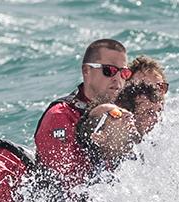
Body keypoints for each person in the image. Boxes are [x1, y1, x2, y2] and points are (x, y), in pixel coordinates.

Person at [33, 38, 133, 190]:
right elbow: (66, 185)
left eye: (124, 73)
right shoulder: (60, 116)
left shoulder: (123, 114)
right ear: (86, 71)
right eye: (109, 70)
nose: (117, 79)